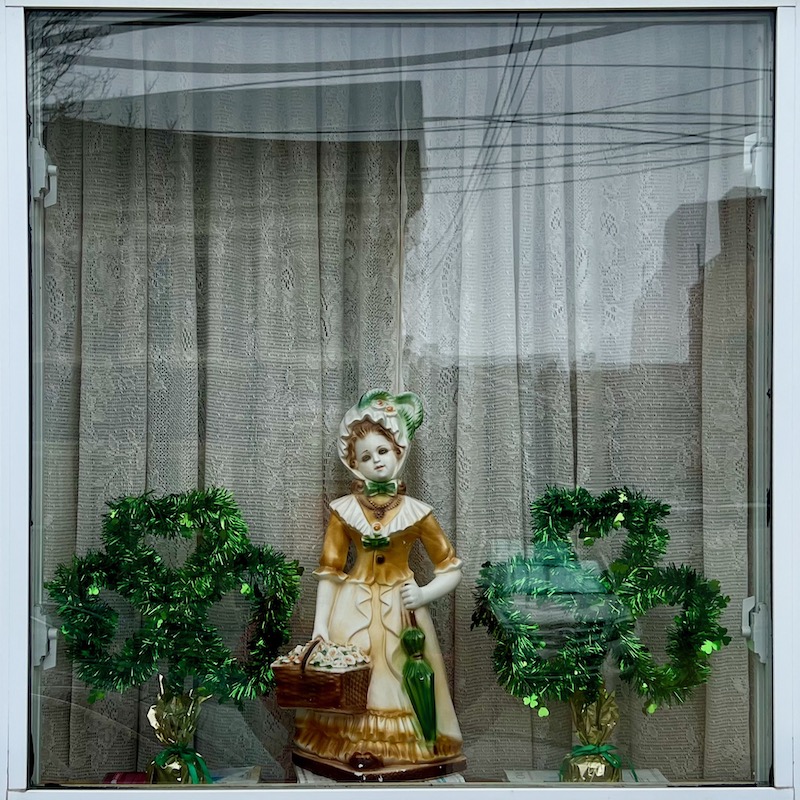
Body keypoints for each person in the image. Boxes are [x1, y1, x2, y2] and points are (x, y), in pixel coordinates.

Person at [293, 390, 464, 775]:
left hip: (401, 610)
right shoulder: (344, 510)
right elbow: (330, 571)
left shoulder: (417, 512)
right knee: (353, 681)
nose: (376, 462)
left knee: (400, 678)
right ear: (354, 465)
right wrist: (320, 626)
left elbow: (450, 568)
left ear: (399, 451)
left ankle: (406, 751)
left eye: (382, 452)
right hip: (350, 611)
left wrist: (423, 594)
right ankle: (350, 748)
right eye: (366, 457)